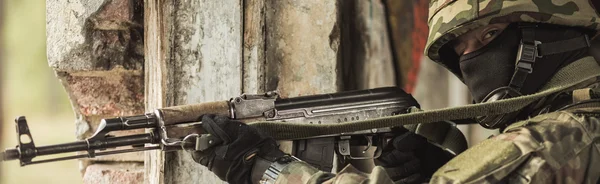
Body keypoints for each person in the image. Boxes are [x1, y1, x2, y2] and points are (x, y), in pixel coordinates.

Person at [190, 1, 600, 183]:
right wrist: (437, 170)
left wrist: (264, 169)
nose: (473, 62)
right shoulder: (582, 124)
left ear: (548, 35)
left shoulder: (547, 142)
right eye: (461, 51)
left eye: (490, 36)